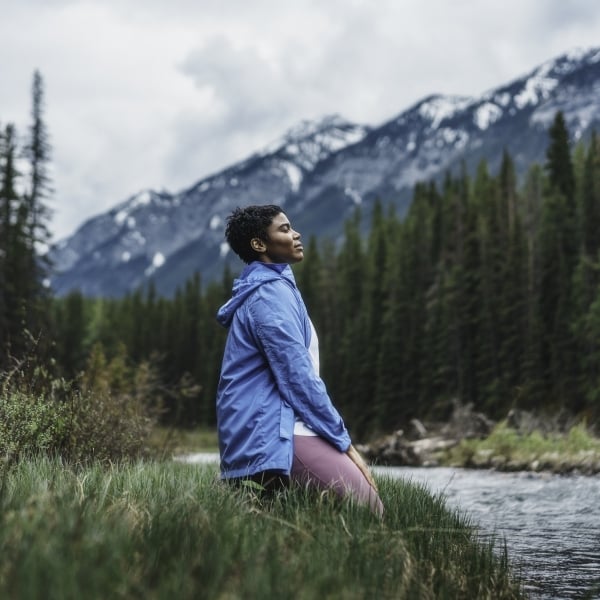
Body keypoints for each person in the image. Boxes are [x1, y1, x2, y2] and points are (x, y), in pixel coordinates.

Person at [215, 204, 383, 517]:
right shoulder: (269, 297)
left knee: (295, 520)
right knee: (369, 511)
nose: (296, 234)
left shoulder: (277, 287)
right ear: (259, 244)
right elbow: (298, 379)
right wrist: (345, 444)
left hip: (275, 424)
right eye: (285, 228)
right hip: (271, 431)